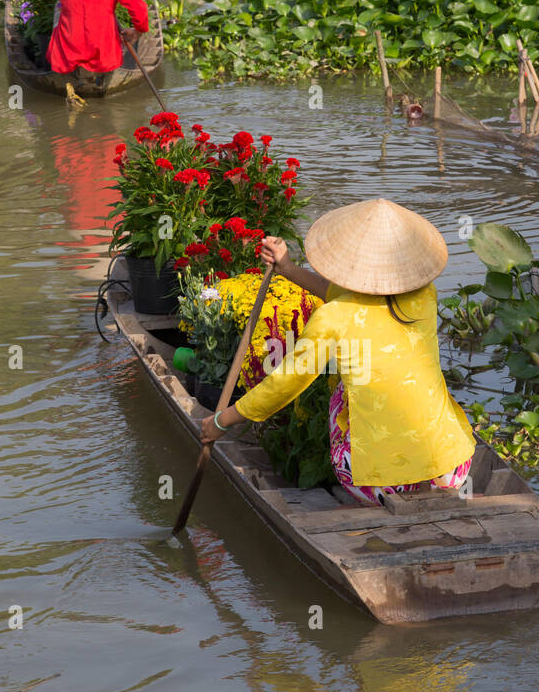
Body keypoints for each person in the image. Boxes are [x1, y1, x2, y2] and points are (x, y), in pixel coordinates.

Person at [199, 198, 476, 505]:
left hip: (377, 483)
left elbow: (285, 383)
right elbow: (349, 295)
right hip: (451, 469)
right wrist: (287, 268)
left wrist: (221, 422)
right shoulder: (425, 296)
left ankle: (357, 482)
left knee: (342, 390)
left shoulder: (334, 316)